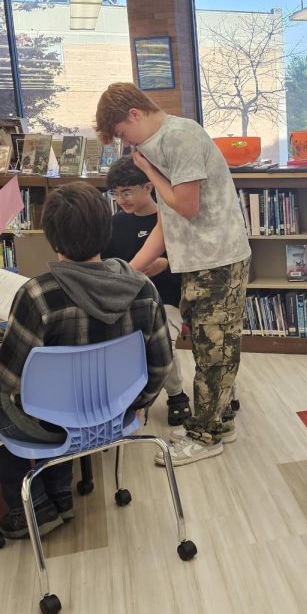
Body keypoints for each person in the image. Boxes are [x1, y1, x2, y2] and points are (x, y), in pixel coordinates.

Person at [0, 183, 172, 539]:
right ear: (108, 230)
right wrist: (131, 405)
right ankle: (59, 491)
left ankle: (33, 505)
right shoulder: (143, 288)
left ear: (53, 239)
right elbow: (161, 365)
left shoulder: (38, 294)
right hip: (116, 414)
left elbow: (9, 378)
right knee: (54, 399)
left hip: (49, 422)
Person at [95, 83, 251, 467]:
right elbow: (166, 221)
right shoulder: (159, 145)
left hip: (218, 259)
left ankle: (205, 436)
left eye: (120, 132)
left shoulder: (179, 137)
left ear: (134, 114)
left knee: (214, 351)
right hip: (198, 262)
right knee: (205, 346)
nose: (124, 141)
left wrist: (148, 170)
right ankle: (218, 421)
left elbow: (185, 205)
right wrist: (130, 271)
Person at [103, 155, 190, 427]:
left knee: (159, 340)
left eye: (127, 192)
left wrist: (167, 264)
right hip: (126, 303)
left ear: (148, 188)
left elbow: (193, 264)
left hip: (167, 302)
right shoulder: (114, 224)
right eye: (115, 194)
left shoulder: (171, 219)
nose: (121, 200)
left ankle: (176, 395)